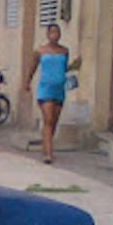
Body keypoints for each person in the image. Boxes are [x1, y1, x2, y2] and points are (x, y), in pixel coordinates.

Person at [24, 23, 78, 164]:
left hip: (59, 89)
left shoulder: (64, 51)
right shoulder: (40, 51)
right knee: (48, 119)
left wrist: (73, 67)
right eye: (52, 32)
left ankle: (46, 144)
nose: (54, 34)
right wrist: (27, 83)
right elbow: (33, 67)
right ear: (47, 34)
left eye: (57, 32)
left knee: (54, 120)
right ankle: (49, 154)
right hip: (45, 89)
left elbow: (64, 69)